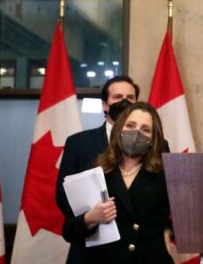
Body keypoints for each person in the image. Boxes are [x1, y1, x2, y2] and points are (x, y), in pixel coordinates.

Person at [62, 102, 174, 263]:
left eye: (145, 129)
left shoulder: (167, 174)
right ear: (119, 130)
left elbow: (185, 224)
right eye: (130, 125)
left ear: (153, 139)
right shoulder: (96, 168)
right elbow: (68, 231)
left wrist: (168, 230)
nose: (136, 133)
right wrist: (90, 218)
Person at [56, 75, 140, 262]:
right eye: (118, 97)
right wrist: (91, 216)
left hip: (138, 251)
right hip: (92, 251)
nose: (125, 102)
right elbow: (63, 195)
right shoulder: (78, 143)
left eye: (130, 97)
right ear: (105, 104)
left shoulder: (156, 144)